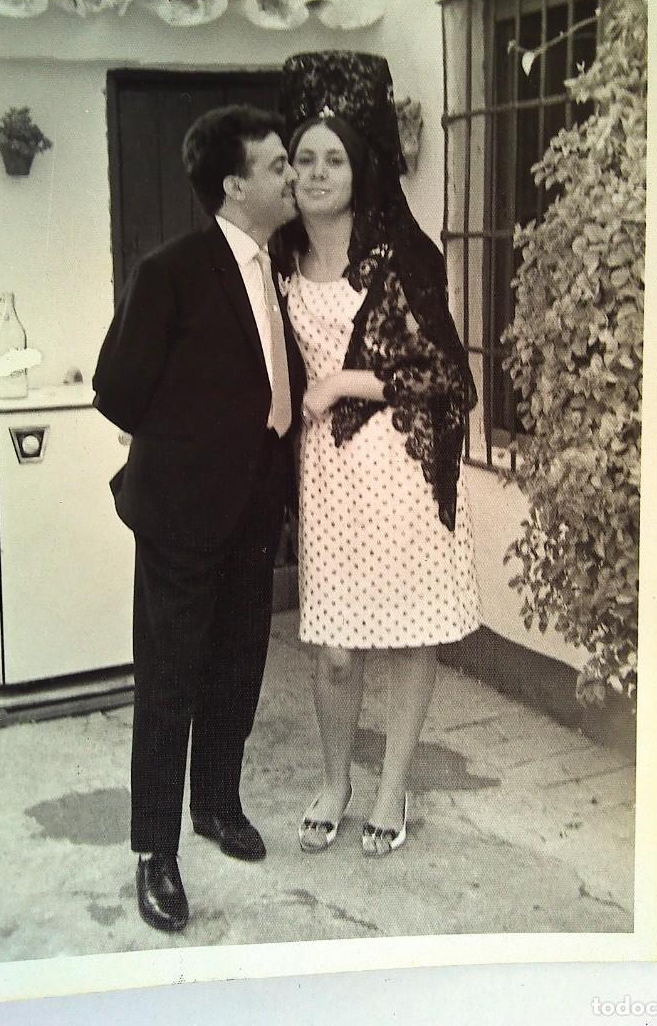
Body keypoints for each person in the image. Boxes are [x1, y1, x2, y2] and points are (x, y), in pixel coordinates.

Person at [92, 105, 305, 932]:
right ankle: (156, 851)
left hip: (255, 508)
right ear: (235, 185)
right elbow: (119, 390)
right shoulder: (171, 271)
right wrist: (199, 441)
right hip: (182, 514)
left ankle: (216, 803)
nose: (292, 176)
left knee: (238, 665)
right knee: (170, 681)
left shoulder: (274, 265)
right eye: (278, 165)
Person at [274, 51, 482, 857]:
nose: (318, 173)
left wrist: (342, 384)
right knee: (332, 646)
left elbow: (448, 376)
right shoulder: (281, 257)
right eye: (304, 159)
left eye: (334, 158)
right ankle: (336, 781)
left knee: (405, 635)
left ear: (361, 167)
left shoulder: (403, 255)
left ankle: (391, 788)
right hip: (328, 478)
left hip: (401, 469)